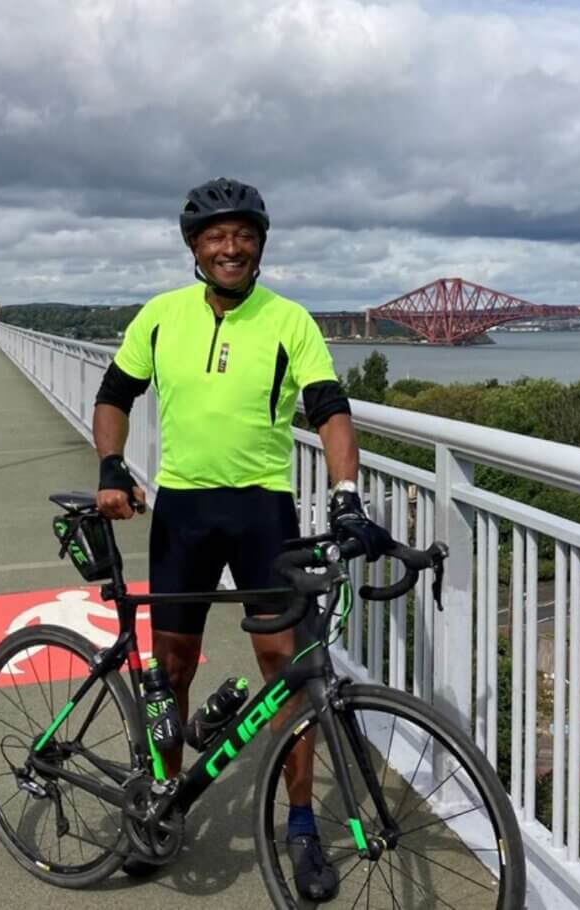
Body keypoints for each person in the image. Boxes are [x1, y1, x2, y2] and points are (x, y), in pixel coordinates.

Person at [92, 178, 390, 900]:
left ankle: (300, 825)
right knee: (171, 665)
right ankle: (163, 807)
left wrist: (346, 497)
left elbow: (330, 410)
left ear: (259, 243)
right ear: (195, 247)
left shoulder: (289, 321)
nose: (231, 247)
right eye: (215, 236)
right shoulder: (160, 318)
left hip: (263, 510)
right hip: (183, 512)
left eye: (243, 235)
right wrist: (110, 464)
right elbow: (113, 395)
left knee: (283, 665)